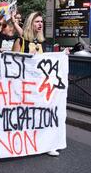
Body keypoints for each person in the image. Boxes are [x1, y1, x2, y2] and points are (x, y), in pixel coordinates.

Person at [12, 12, 61, 156]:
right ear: (30, 24)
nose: (40, 24)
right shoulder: (21, 41)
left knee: (43, 115)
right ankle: (21, 143)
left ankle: (47, 144)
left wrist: (62, 56)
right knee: (24, 115)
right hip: (24, 86)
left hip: (40, 86)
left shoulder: (42, 43)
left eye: (41, 22)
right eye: (37, 21)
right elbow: (13, 64)